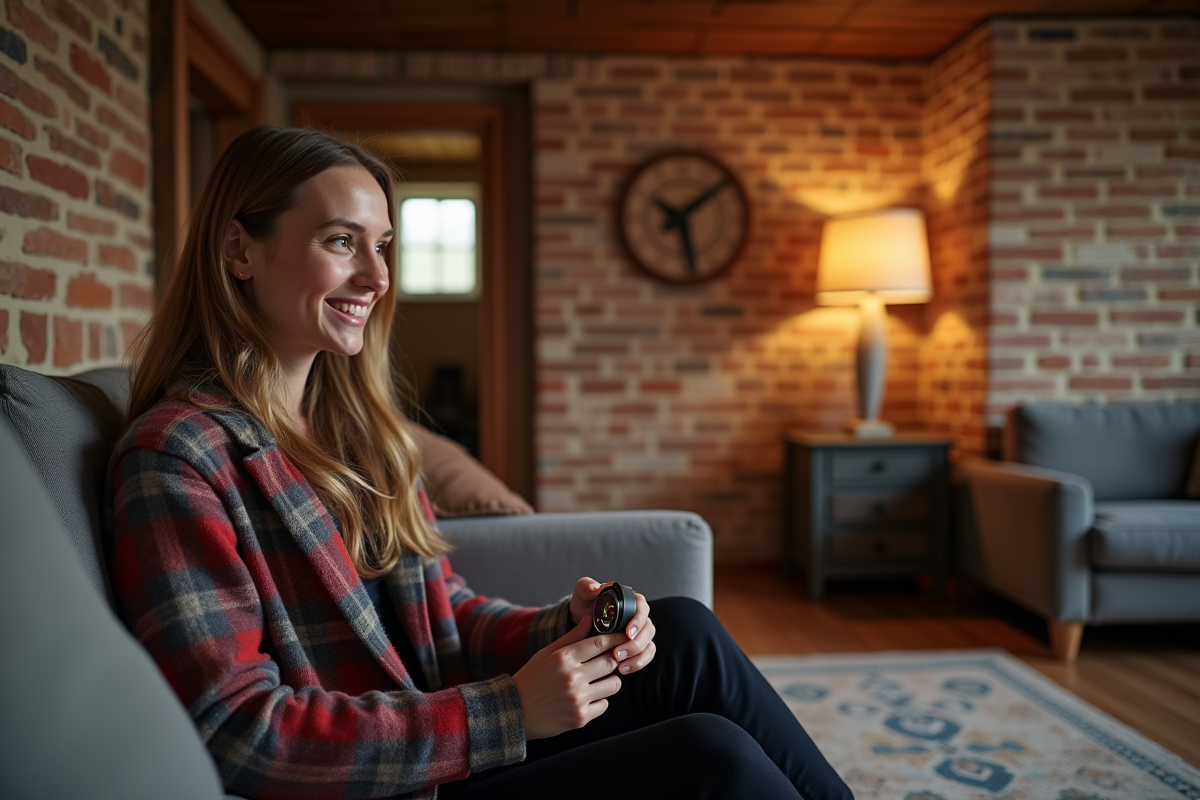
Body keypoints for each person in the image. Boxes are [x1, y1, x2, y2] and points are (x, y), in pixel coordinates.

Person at [105, 125, 853, 800]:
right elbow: (238, 730)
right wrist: (508, 711)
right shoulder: (179, 458)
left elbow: (447, 616)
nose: (377, 277)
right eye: (341, 242)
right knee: (709, 754)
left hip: (444, 743)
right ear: (239, 250)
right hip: (384, 782)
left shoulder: (358, 432)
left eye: (383, 245)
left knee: (682, 628)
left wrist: (567, 626)